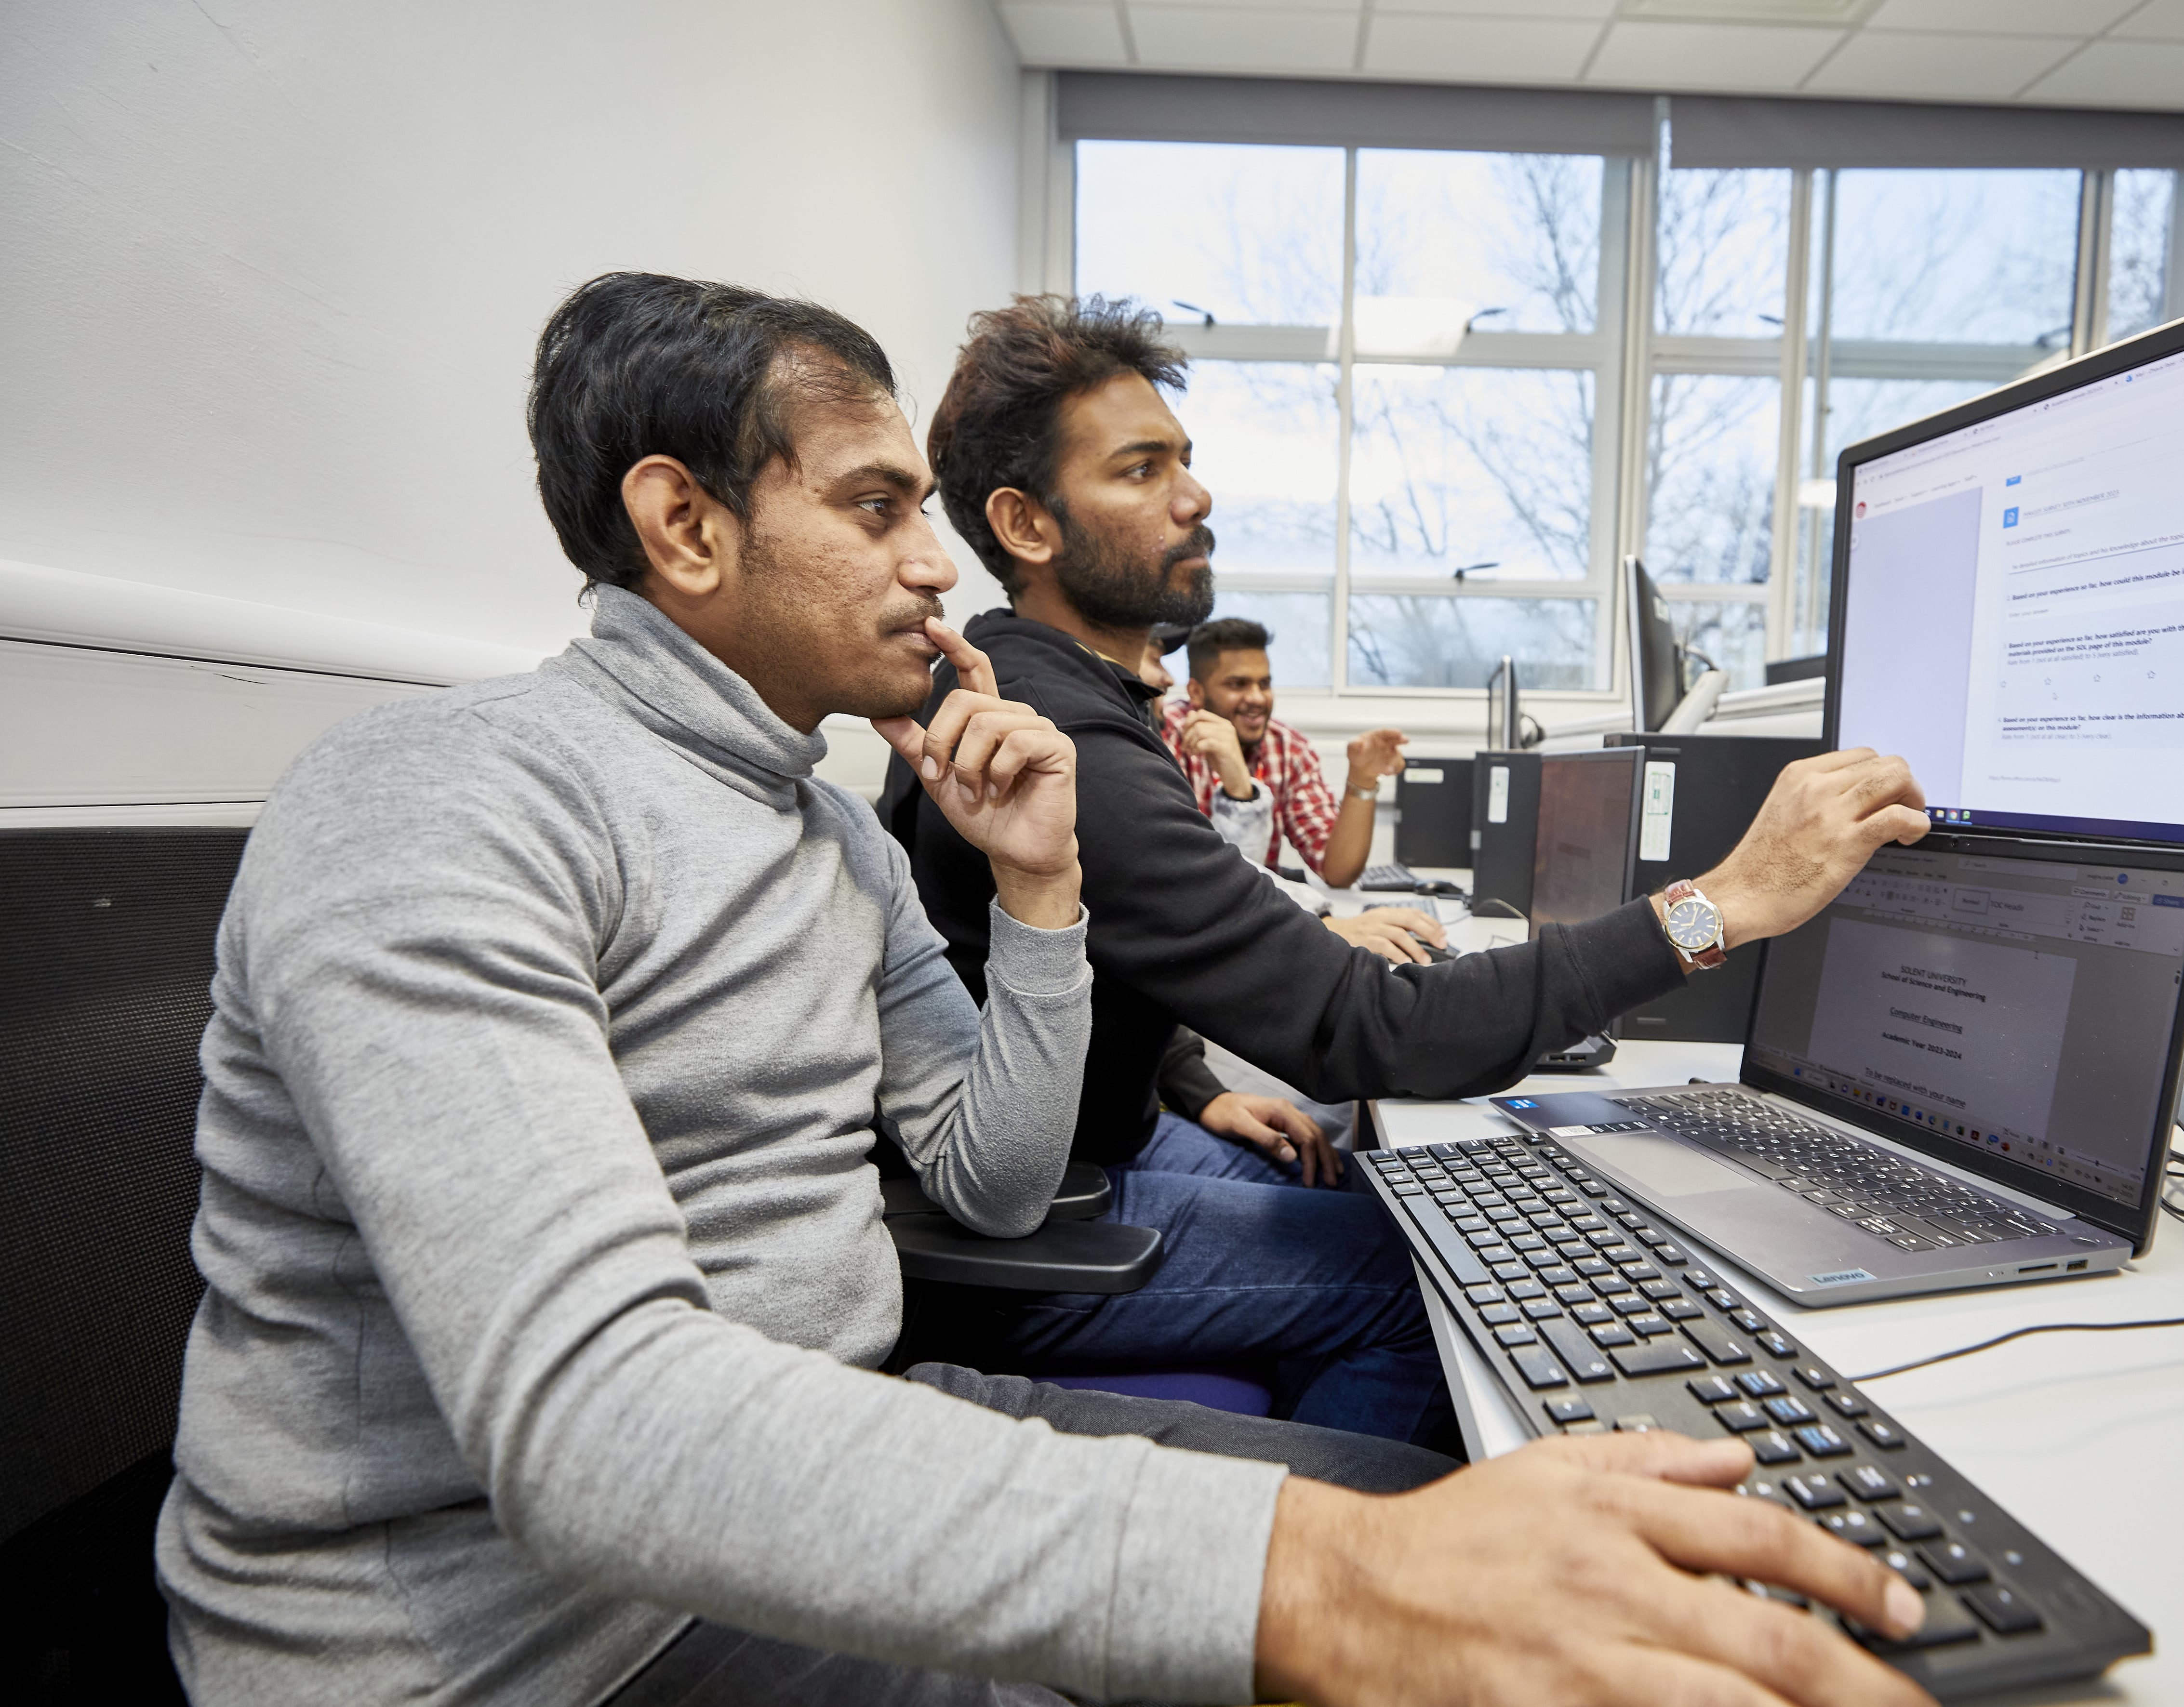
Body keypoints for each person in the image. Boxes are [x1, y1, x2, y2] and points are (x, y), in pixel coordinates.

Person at [156, 270, 1934, 1707]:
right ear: (685, 527)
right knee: (1415, 1590)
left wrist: (1038, 894)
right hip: (537, 1639)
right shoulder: (439, 801)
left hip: (833, 1440)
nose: (932, 567)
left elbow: (994, 1178)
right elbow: (594, 1428)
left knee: (1516, 1535)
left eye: (923, 513)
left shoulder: (831, 835)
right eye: (873, 511)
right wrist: (1314, 1589)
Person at [887, 290, 1928, 1185]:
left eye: (1185, 462)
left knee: (1393, 1191)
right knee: (1427, 1292)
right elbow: (1383, 1031)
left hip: (1122, 1135)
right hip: (1069, 1203)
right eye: (1140, 471)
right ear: (1027, 526)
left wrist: (1187, 1083)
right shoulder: (1058, 736)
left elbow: (1114, 954)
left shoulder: (1061, 691)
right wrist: (1723, 903)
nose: (1196, 498)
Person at [1161, 616, 1406, 887]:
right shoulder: (1164, 737)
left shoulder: (1288, 747)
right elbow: (1175, 872)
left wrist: (1362, 780)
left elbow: (1338, 873)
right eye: (1238, 684)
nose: (1257, 698)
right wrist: (1238, 784)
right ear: (1196, 692)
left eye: (1264, 684)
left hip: (1256, 910)